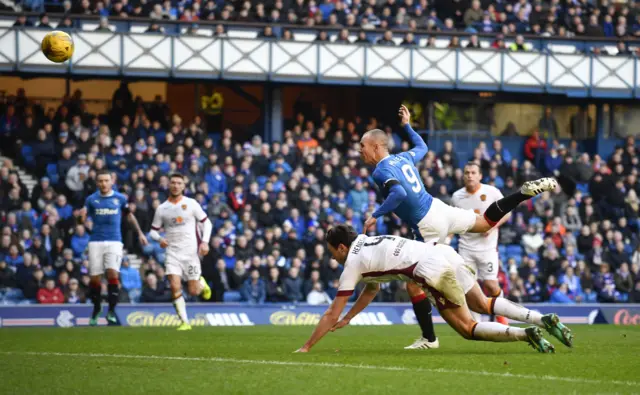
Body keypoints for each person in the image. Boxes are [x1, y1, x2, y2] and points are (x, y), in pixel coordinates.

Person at [360, 105, 558, 350]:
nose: (360, 151)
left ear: (376, 146)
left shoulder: (380, 171)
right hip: (440, 209)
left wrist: (375, 214)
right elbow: (422, 147)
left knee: (413, 284)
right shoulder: (403, 157)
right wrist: (408, 126)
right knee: (485, 221)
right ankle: (520, 194)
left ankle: (430, 339)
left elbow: (398, 192)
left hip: (426, 226)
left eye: (363, 146)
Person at [295, 225, 573, 353]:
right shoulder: (367, 239)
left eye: (333, 253)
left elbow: (331, 311)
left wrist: (307, 346)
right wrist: (349, 319)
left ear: (342, 247)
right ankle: (540, 319)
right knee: (483, 304)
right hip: (443, 252)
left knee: (467, 328)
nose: (333, 258)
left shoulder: (351, 265)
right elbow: (371, 290)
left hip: (430, 270)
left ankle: (526, 335)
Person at [81, 170, 148, 326]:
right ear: (97, 183)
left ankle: (111, 310)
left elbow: (129, 216)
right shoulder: (91, 199)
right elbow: (81, 220)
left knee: (112, 273)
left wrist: (140, 233)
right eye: (100, 181)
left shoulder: (119, 198)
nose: (103, 183)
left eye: (106, 180)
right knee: (95, 278)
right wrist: (80, 216)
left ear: (112, 182)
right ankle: (97, 308)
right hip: (95, 241)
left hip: (114, 241)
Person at [149, 173, 213, 331]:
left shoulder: (191, 204)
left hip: (190, 254)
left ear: (183, 186)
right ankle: (184, 322)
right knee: (174, 286)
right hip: (172, 253)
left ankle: (201, 283)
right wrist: (159, 239)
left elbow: (207, 223)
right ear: (169, 185)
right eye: (173, 183)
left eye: (179, 183)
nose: (176, 185)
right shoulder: (162, 209)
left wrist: (205, 242)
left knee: (193, 291)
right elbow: (153, 231)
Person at [451, 162, 509, 325]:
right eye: (466, 172)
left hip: (487, 248)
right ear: (463, 176)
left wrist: (492, 227)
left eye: (473, 172)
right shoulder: (457, 196)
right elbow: (453, 220)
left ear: (480, 176)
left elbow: (507, 212)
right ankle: (475, 324)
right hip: (466, 248)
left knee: (491, 284)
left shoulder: (492, 192)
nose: (469, 175)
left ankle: (501, 315)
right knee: (468, 287)